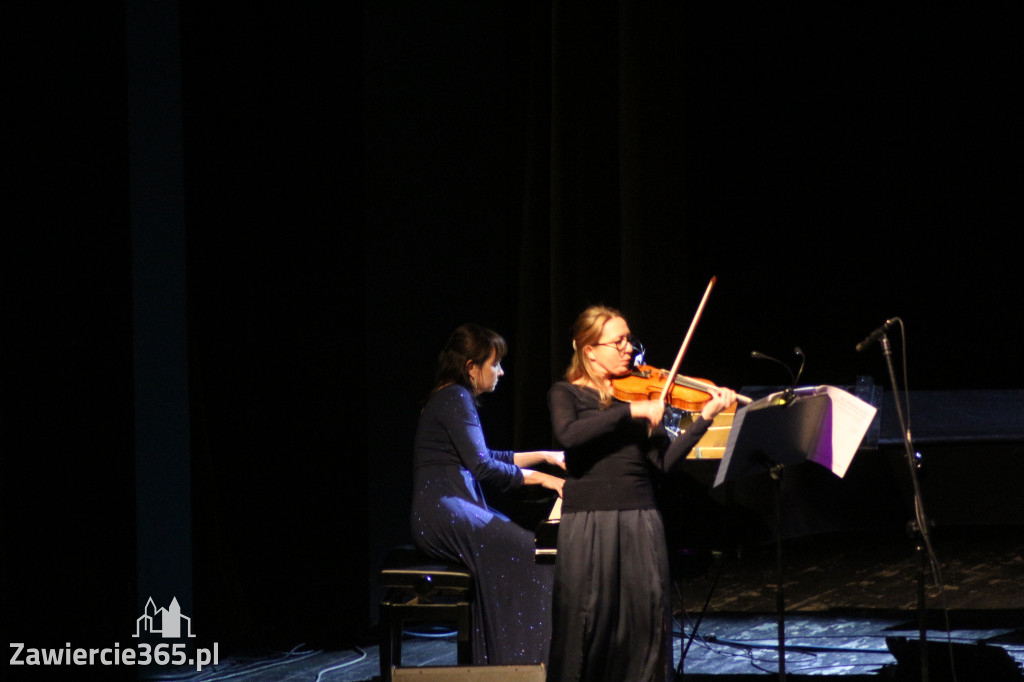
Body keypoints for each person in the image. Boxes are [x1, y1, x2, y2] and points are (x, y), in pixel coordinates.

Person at [546, 306, 737, 681]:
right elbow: (568, 435)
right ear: (589, 350)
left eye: (628, 339)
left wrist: (705, 418)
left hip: (640, 518)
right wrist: (631, 410)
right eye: (617, 342)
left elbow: (663, 462)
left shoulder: (643, 391)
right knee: (586, 625)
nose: (628, 349)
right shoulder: (565, 393)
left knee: (645, 624)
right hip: (588, 522)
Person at [410, 323, 565, 666]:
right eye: (494, 364)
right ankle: (525, 664)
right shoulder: (454, 397)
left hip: (444, 510)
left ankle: (510, 659)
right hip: (443, 513)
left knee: (526, 545)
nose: (501, 371)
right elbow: (482, 468)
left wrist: (546, 455)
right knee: (532, 552)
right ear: (471, 367)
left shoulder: (450, 396)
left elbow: (487, 456)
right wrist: (544, 479)